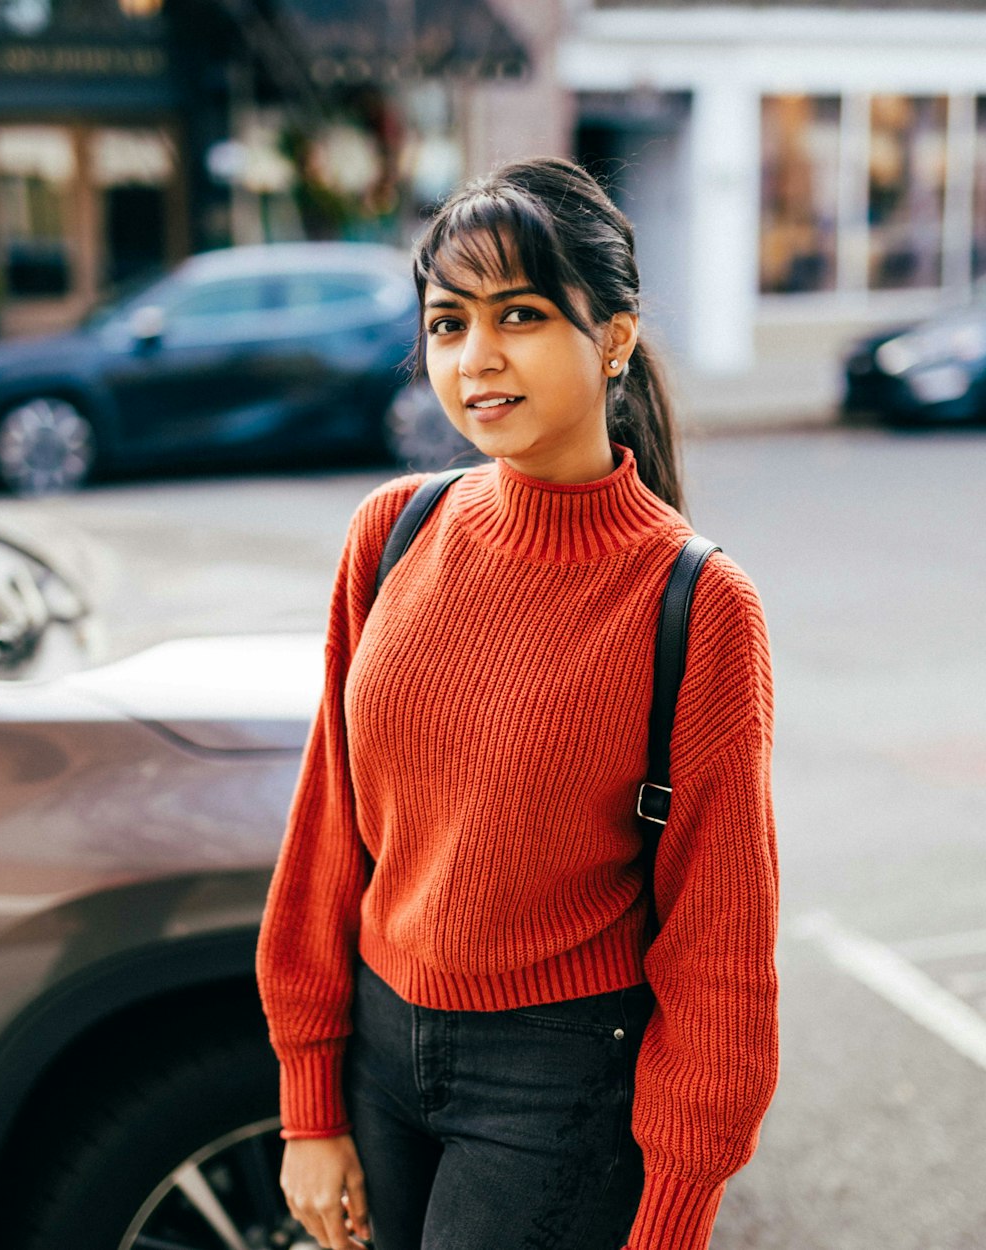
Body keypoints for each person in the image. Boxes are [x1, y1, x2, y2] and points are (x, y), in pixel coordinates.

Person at [256, 156, 779, 1250]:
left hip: (556, 1085)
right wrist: (309, 1099)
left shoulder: (694, 602)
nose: (476, 358)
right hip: (377, 1050)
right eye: (447, 323)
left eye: (521, 315)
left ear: (615, 339)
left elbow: (719, 943)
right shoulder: (392, 531)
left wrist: (672, 1211)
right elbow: (325, 834)